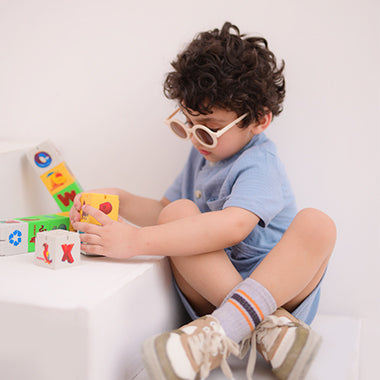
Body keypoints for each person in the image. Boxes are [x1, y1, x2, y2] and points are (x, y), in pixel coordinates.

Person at [70, 22, 336, 380]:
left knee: (318, 224)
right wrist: (122, 198)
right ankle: (266, 329)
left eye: (208, 129)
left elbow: (233, 227)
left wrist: (134, 242)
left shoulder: (260, 163)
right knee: (177, 213)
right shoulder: (202, 154)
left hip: (279, 288)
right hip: (216, 289)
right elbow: (164, 212)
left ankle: (223, 329)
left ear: (259, 120)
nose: (195, 138)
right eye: (187, 124)